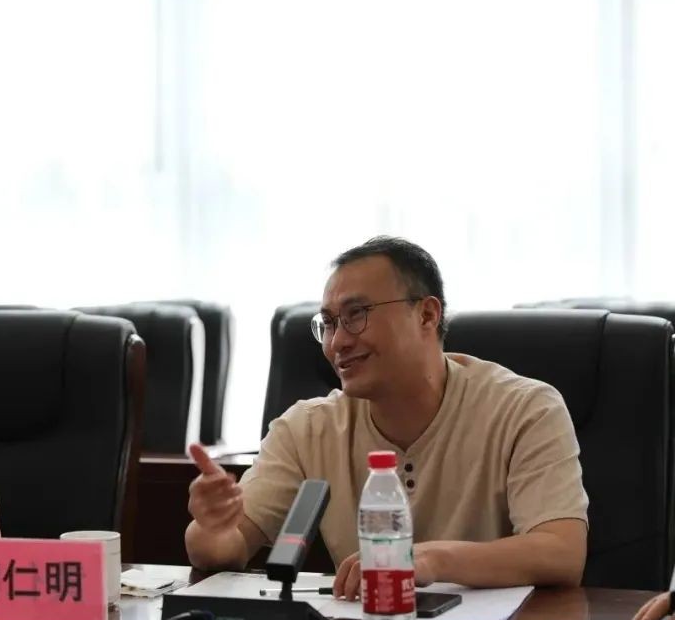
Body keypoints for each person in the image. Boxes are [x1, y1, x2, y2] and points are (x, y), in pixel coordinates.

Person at [185, 236, 588, 598]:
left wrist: (428, 560)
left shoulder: (525, 409)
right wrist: (213, 529)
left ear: (427, 315)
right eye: (329, 324)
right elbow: (227, 548)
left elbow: (562, 551)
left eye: (357, 314)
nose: (338, 342)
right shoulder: (306, 429)